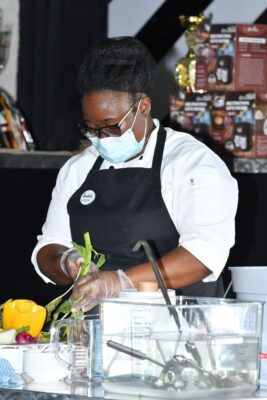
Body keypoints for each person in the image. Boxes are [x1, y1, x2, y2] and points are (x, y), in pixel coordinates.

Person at [31, 36, 238, 312]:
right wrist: (65, 260)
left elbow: (203, 255)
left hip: (183, 332)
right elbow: (48, 246)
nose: (101, 138)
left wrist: (120, 281)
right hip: (98, 332)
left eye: (111, 126)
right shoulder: (79, 169)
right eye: (91, 128)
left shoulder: (192, 163)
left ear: (143, 107)